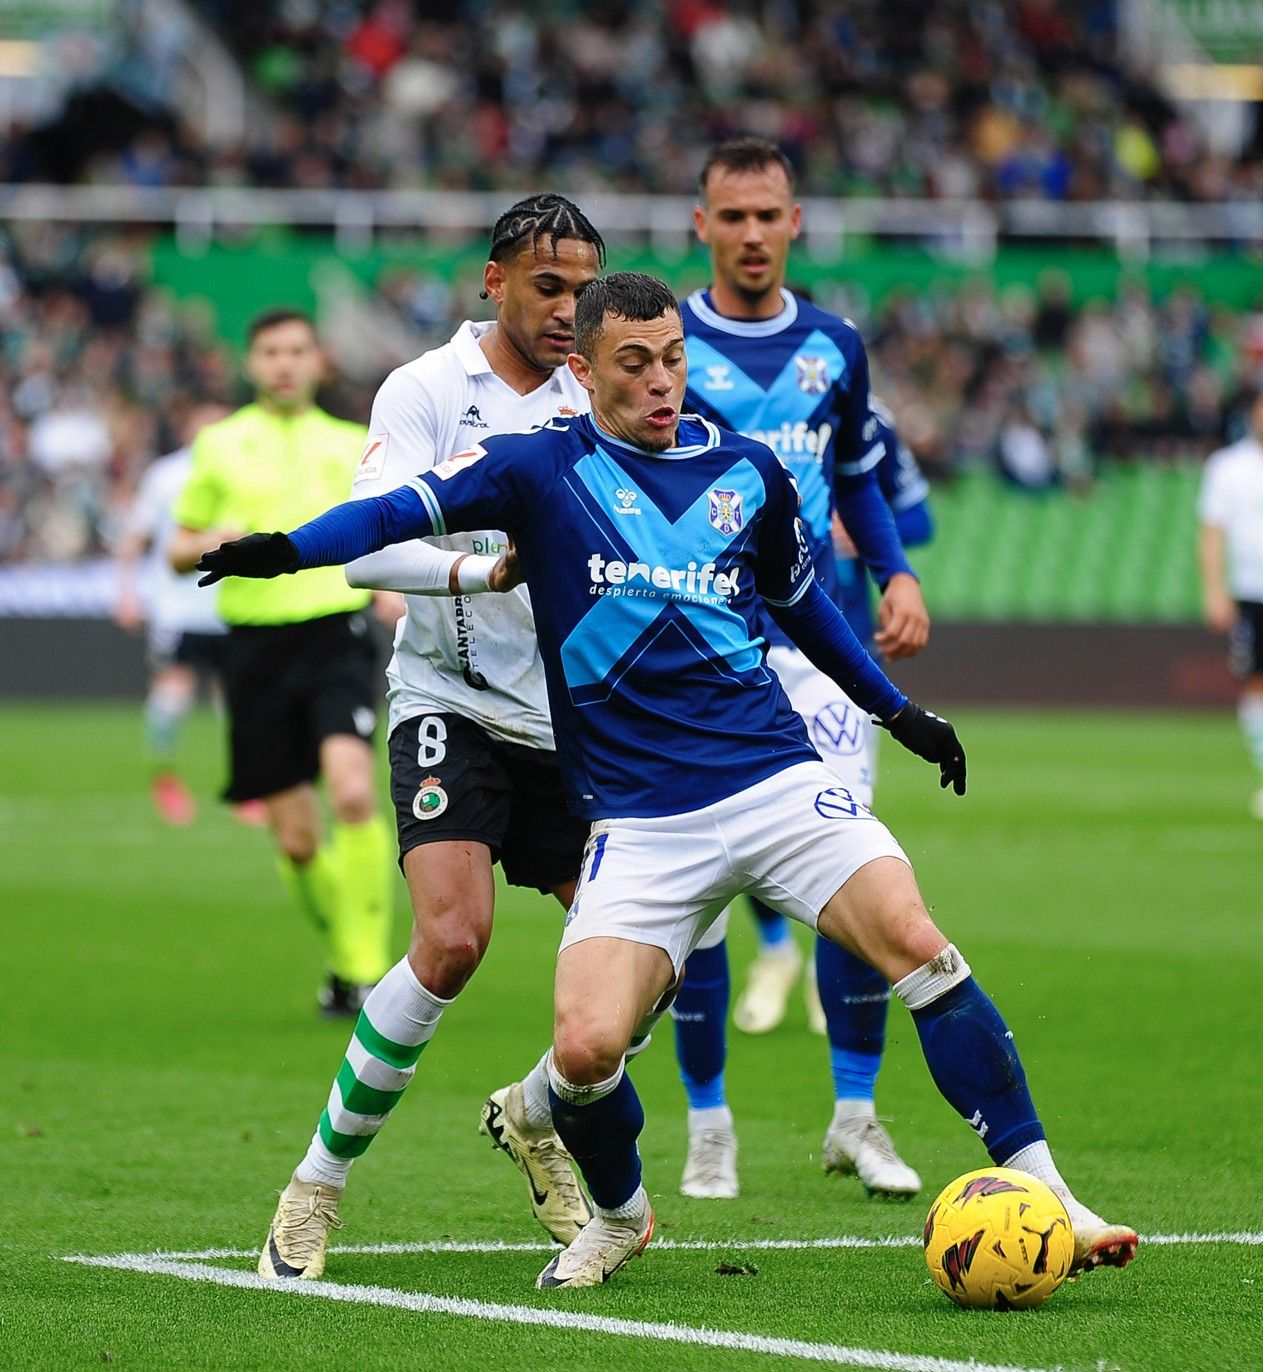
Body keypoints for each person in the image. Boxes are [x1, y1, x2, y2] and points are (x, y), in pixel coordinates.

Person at [198, 271, 1139, 1292]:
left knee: (917, 943)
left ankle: (1056, 1196)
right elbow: (390, 514)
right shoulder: (536, 469)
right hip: (641, 820)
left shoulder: (745, 471)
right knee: (588, 1047)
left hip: (773, 777)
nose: (660, 383)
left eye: (673, 359)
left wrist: (898, 714)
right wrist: (285, 551)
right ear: (582, 370)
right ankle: (614, 1213)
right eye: (633, 363)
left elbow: (808, 607)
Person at [238, 196, 607, 1281]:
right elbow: (368, 553)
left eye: (584, 289)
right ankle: (316, 1183)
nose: (568, 310)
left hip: (576, 722)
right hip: (448, 695)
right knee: (452, 938)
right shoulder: (430, 390)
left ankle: (533, 1112)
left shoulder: (607, 387)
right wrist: (479, 569)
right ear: (492, 281)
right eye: (549, 287)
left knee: (638, 970)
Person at [670, 137, 932, 1202]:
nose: (750, 234)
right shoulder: (662, 340)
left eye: (767, 214)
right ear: (701, 226)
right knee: (693, 900)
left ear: (795, 221)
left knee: (852, 879)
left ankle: (856, 1116)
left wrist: (898, 573)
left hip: (820, 650)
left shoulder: (835, 345)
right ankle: (708, 1125)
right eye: (730, 216)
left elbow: (859, 475)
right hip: (691, 649)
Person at [170, 309, 396, 1018]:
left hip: (336, 631)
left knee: (355, 793)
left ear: (318, 360)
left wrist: (390, 586)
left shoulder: (356, 443)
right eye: (271, 351)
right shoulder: (219, 444)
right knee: (297, 838)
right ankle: (347, 963)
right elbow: (178, 550)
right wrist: (214, 537)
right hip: (257, 646)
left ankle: (365, 970)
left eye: (297, 350)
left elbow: (389, 525)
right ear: (251, 363)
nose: (285, 363)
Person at [114, 400, 232, 826]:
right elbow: (134, 538)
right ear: (188, 429)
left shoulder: (243, 471)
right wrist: (126, 593)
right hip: (178, 609)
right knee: (173, 693)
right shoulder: (166, 475)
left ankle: (246, 785)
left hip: (231, 607)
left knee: (236, 699)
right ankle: (164, 778)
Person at [1198, 384, 1263, 820]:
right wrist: (1215, 590)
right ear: (1257, 412)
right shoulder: (1228, 467)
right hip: (1254, 593)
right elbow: (1212, 532)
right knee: (1258, 683)